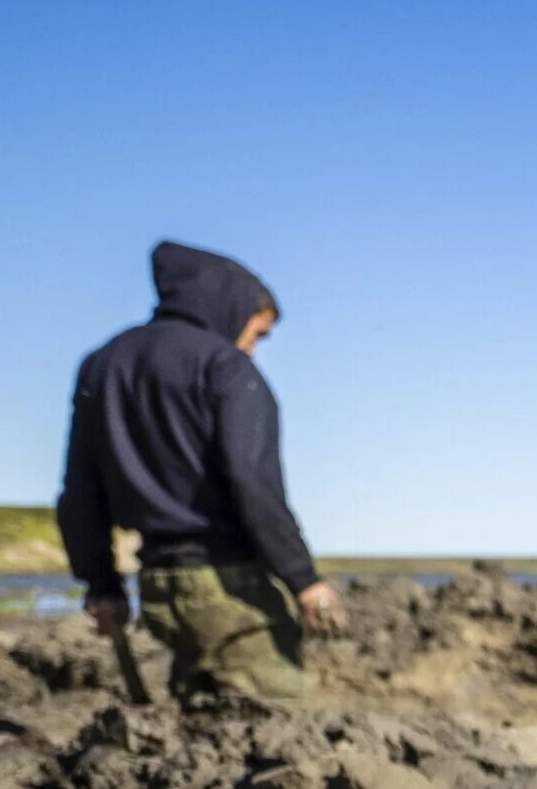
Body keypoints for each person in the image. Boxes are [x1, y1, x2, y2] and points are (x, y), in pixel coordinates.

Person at [57, 241, 349, 703]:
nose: (253, 350)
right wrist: (304, 581)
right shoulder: (225, 368)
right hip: (229, 585)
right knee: (277, 730)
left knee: (199, 723)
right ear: (232, 309)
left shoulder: (102, 366)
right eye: (258, 334)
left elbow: (80, 490)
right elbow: (253, 481)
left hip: (157, 587)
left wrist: (102, 583)